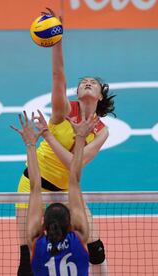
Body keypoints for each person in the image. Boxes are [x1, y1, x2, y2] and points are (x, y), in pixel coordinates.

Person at [16, 8, 114, 276]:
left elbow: (74, 165)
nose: (87, 83)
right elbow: (58, 76)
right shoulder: (62, 111)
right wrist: (57, 40)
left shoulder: (101, 131)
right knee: (26, 258)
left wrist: (47, 136)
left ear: (100, 98)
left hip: (69, 193)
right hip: (33, 185)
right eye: (84, 82)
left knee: (96, 249)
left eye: (93, 83)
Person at [12, 111, 95, 276]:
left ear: (43, 226)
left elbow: (35, 186)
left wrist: (30, 145)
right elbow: (74, 180)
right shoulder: (80, 238)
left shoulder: (37, 244)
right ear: (71, 225)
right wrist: (80, 138)